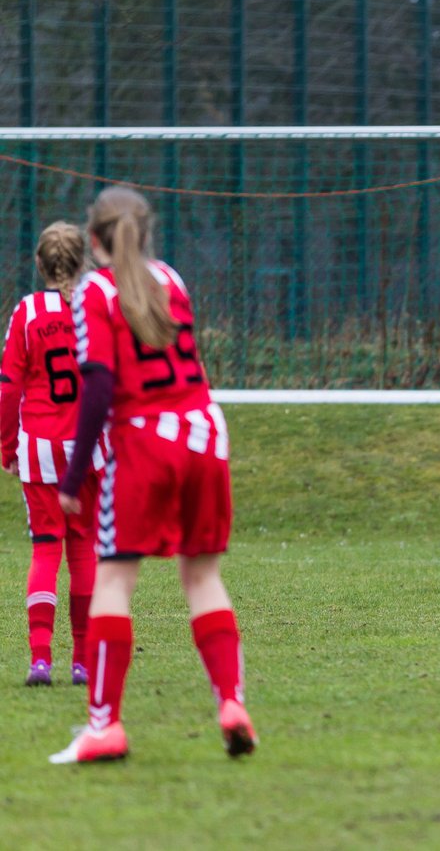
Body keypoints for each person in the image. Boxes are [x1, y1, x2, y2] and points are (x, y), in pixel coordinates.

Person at [48, 186, 255, 764]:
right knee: (203, 577)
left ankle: (104, 726)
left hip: (145, 441)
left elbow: (99, 387)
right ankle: (231, 703)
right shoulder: (174, 279)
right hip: (204, 431)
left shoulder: (94, 290)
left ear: (94, 240)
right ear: (146, 232)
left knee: (114, 580)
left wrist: (71, 476)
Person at [1, 222, 104, 687]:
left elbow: (9, 388)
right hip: (89, 448)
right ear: (82, 263)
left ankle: (40, 659)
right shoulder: (99, 307)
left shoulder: (26, 312)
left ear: (39, 264)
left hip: (40, 447)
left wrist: (6, 447)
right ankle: (82, 661)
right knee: (84, 551)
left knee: (46, 550)